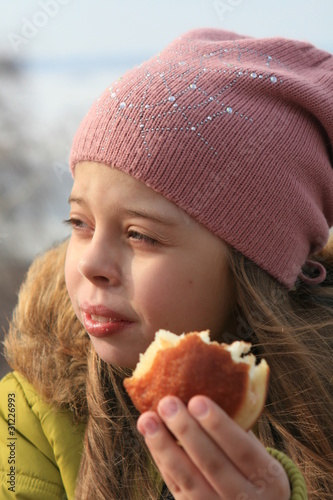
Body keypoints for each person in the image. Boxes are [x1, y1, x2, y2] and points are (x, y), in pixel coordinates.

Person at [1, 27, 333, 499]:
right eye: (79, 222)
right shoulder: (26, 411)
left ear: (254, 267)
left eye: (141, 235)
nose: (92, 262)